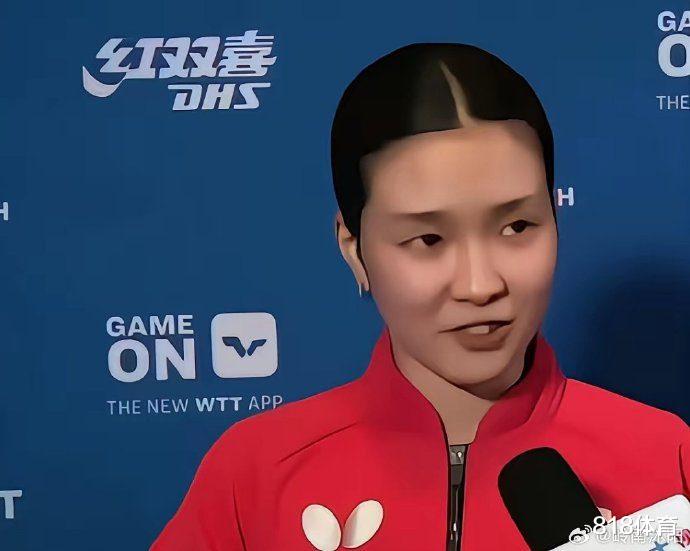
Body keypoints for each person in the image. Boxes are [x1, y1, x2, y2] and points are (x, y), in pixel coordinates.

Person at [151, 43, 690, 550]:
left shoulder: (667, 457)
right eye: (429, 240)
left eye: (517, 227)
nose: (481, 284)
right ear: (354, 248)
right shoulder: (255, 472)